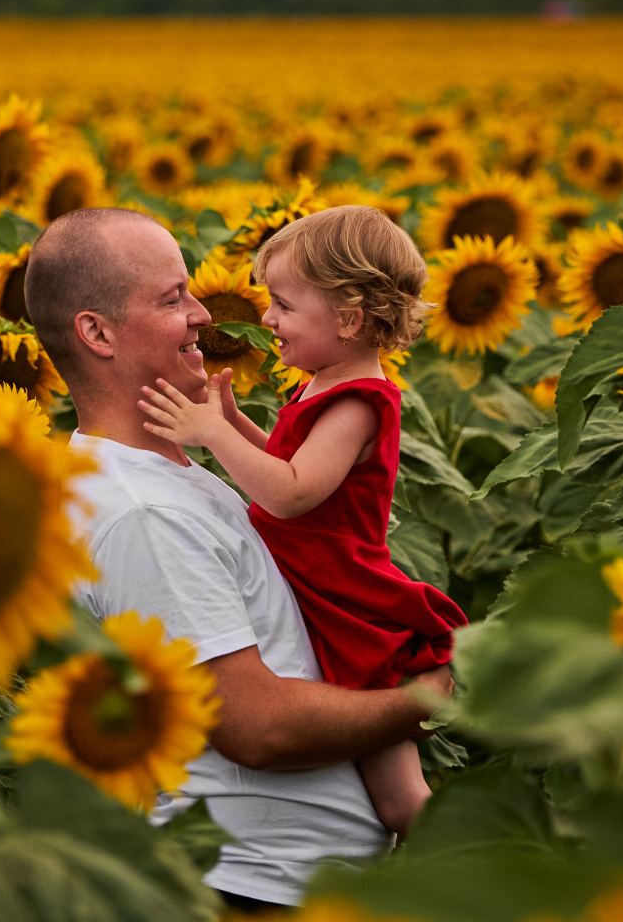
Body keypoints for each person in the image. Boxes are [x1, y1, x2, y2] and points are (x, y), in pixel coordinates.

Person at [24, 207, 451, 912]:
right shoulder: (144, 512)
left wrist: (220, 429)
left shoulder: (174, 479)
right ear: (96, 333)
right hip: (250, 890)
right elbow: (256, 725)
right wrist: (425, 701)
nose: (202, 314)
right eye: (171, 300)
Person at [136, 206, 465, 839]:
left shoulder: (358, 401)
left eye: (283, 305)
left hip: (343, 596)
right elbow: (288, 462)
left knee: (400, 799)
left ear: (348, 318)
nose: (266, 319)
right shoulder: (324, 384)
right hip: (315, 582)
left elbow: (290, 494)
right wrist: (231, 422)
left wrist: (211, 436)